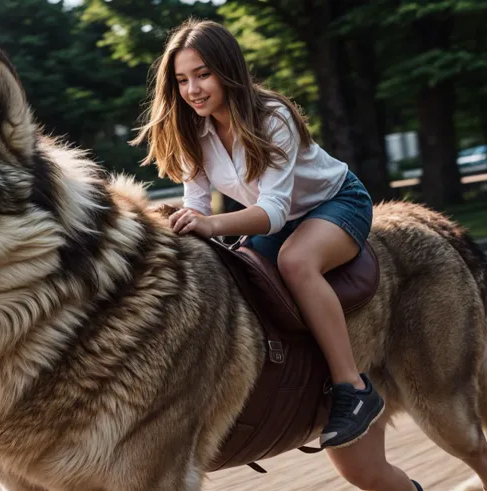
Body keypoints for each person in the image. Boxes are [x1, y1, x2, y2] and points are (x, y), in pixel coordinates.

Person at [131, 18, 423, 491]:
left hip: (334, 204)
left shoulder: (273, 117)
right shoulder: (192, 131)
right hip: (279, 219)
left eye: (202, 74)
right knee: (236, 274)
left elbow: (271, 210)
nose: (192, 89)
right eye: (182, 80)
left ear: (228, 70)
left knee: (295, 262)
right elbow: (198, 207)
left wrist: (209, 225)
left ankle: (352, 387)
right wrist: (179, 225)